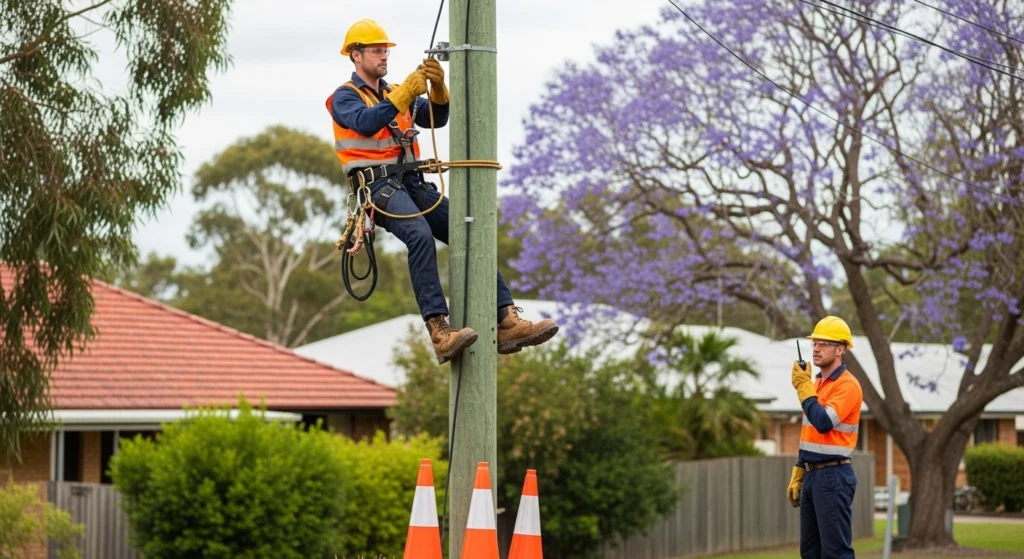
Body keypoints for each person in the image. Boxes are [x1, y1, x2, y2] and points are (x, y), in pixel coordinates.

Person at [325, 19, 559, 365]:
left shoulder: (392, 94)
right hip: (376, 187)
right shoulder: (343, 97)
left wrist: (438, 89)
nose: (384, 55)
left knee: (470, 229)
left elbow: (436, 118)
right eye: (377, 50)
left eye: (385, 49)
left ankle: (506, 319)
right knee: (419, 235)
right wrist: (407, 91)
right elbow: (366, 122)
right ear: (355, 56)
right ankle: (439, 329)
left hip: (411, 183)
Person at [787, 316, 863, 559]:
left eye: (824, 344)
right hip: (812, 475)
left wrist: (803, 388)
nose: (816, 348)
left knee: (835, 553)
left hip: (834, 476)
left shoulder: (847, 385)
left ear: (841, 349)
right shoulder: (817, 383)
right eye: (814, 343)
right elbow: (809, 434)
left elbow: (823, 422)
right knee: (810, 553)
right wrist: (800, 469)